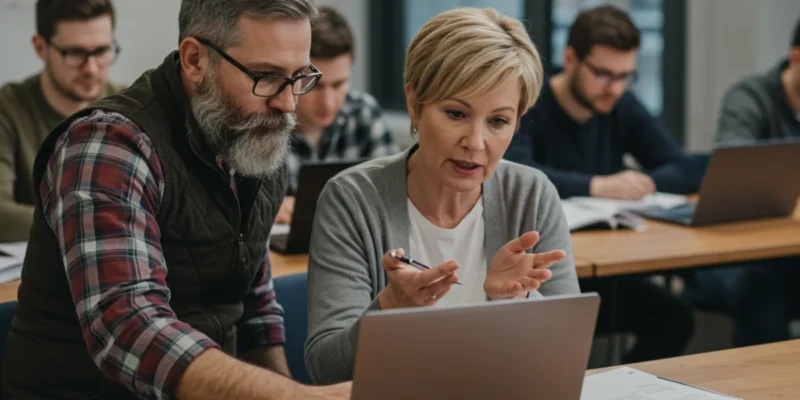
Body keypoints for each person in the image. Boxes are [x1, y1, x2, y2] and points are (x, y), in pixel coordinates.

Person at [2, 1, 350, 399]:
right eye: (266, 76)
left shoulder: (252, 134)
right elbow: (130, 328)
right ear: (195, 59)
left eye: (299, 77)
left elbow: (254, 306)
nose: (289, 103)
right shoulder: (108, 146)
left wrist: (292, 390)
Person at [305, 7, 580, 385]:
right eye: (455, 113)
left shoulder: (532, 195)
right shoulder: (352, 198)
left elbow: (566, 363)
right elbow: (325, 369)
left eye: (498, 121)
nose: (475, 142)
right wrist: (391, 307)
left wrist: (516, 304)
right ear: (414, 103)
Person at [504, 5, 697, 363]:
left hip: (610, 265)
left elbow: (684, 167)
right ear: (571, 58)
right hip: (540, 272)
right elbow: (515, 169)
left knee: (675, 319)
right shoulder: (531, 104)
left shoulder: (620, 104)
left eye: (626, 76)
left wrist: (640, 183)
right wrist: (598, 185)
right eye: (604, 74)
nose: (615, 88)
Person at [682, 17, 800, 346]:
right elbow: (735, 174)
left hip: (787, 249)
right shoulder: (749, 98)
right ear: (796, 57)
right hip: (731, 254)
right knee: (762, 292)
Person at [0, 0, 123, 242]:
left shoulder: (131, 108)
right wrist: (92, 222)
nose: (91, 68)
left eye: (102, 51)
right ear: (40, 47)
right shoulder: (8, 109)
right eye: (75, 53)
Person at [276, 6, 398, 224]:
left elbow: (393, 194)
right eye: (316, 86)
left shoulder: (364, 114)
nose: (328, 102)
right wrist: (272, 208)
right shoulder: (269, 121)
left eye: (339, 84)